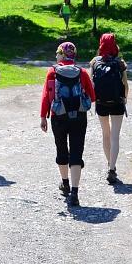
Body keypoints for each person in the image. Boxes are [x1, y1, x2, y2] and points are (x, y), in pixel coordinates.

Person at [40, 41, 95, 207]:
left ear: (62, 54)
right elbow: (92, 97)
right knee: (77, 152)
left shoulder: (52, 72)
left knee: (61, 149)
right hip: (79, 116)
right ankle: (75, 193)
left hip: (59, 116)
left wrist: (43, 117)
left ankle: (65, 184)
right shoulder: (82, 72)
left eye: (57, 53)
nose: (56, 56)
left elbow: (45, 97)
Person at [90, 33, 129, 185]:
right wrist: (125, 99)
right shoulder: (120, 63)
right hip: (117, 102)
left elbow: (92, 84)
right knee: (115, 136)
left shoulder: (94, 62)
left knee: (105, 134)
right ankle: (112, 168)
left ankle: (110, 165)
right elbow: (125, 84)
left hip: (101, 103)